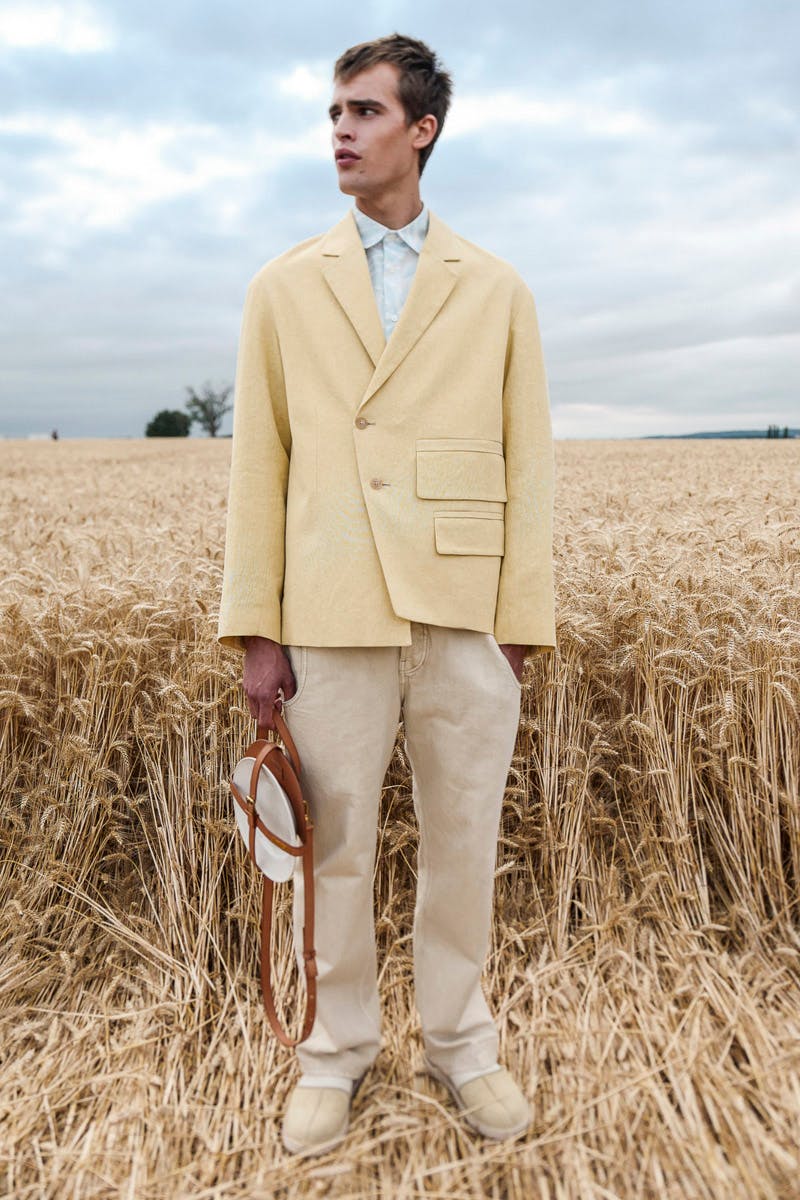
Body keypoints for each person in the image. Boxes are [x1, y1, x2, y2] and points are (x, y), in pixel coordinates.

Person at [217, 32, 556, 1157]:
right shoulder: (279, 287)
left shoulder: (497, 289)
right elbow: (256, 464)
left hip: (460, 615)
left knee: (464, 844)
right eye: (333, 114)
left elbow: (528, 463)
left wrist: (516, 628)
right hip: (328, 610)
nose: (340, 132)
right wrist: (257, 632)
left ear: (422, 130)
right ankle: (333, 1056)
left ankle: (463, 1047)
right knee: (336, 850)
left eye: (364, 112)